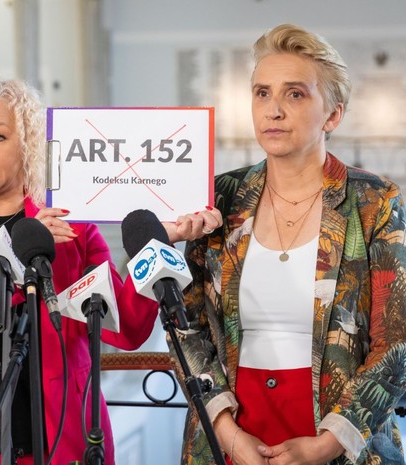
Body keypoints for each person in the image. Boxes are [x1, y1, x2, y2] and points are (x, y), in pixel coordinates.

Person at [0, 74, 221, 464]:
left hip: (61, 436)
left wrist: (158, 244)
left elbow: (127, 330)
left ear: (28, 144)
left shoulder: (73, 229)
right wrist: (13, 258)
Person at [173, 24, 406, 465]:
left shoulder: (375, 201)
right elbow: (186, 327)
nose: (274, 110)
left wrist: (329, 443)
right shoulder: (219, 197)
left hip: (337, 435)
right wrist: (228, 435)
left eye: (294, 94)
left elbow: (396, 341)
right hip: (231, 435)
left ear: (332, 115)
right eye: (262, 93)